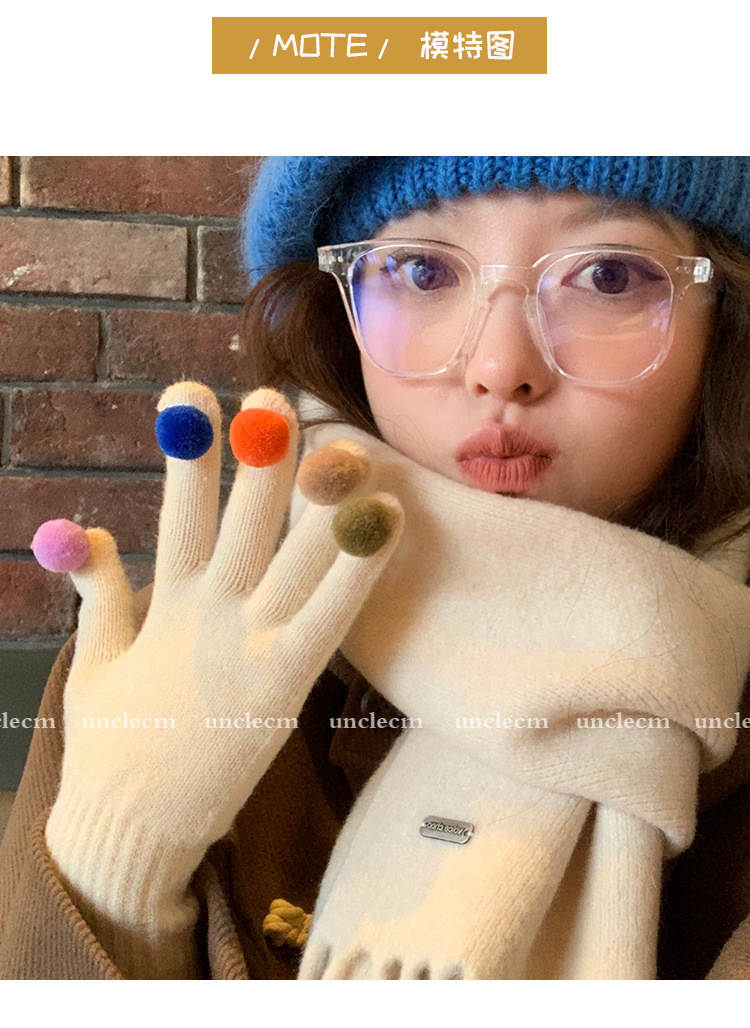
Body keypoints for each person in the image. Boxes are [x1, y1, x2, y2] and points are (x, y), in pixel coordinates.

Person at [3, 156, 750, 980]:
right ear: (340, 312)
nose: (499, 366)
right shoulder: (144, 666)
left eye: (608, 275)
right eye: (422, 271)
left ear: (726, 316)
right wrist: (116, 867)